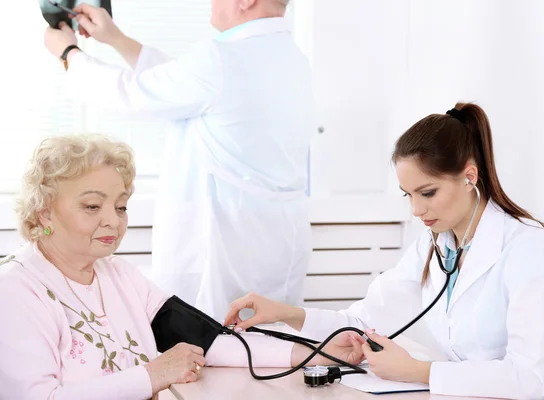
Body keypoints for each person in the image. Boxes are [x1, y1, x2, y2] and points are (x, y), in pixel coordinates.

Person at [224, 103, 544, 399]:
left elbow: (530, 378)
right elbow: (364, 321)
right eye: (407, 195)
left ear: (469, 177)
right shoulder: (435, 244)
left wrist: (418, 371)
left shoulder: (529, 250)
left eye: (427, 193)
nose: (415, 210)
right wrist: (285, 313)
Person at [0, 135, 362, 400]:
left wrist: (320, 351)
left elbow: (208, 343)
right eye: (93, 207)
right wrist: (153, 374)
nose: (113, 220)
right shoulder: (17, 289)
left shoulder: (121, 275)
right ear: (44, 211)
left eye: (122, 206)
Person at [42, 0, 315, 321]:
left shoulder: (221, 60)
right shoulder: (291, 59)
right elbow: (182, 81)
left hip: (220, 250)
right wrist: (116, 39)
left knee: (216, 350)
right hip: (275, 246)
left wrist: (69, 54)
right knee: (270, 345)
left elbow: (132, 94)